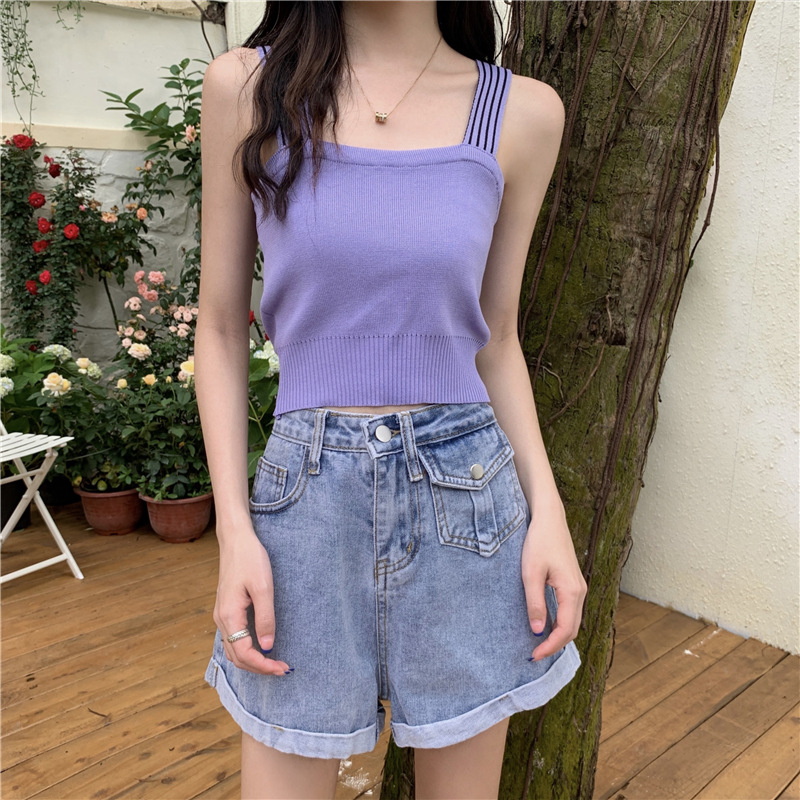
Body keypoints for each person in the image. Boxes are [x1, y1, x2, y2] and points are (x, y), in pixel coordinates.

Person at [195, 2, 587, 798]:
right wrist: (233, 530)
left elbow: (496, 338)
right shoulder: (249, 87)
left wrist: (548, 512)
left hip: (469, 505)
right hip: (303, 511)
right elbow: (221, 328)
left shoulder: (522, 113)